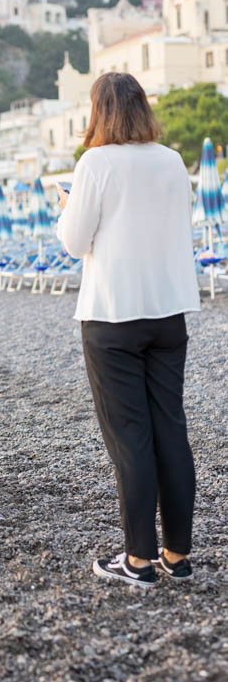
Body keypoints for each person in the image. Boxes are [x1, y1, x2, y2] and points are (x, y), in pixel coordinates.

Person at [56, 72, 200, 588]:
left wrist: (64, 208)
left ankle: (137, 561)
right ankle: (176, 555)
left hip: (113, 314)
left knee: (130, 440)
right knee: (171, 431)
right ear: (142, 107)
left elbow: (74, 242)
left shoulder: (96, 162)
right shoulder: (170, 159)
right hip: (168, 312)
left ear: (99, 111)